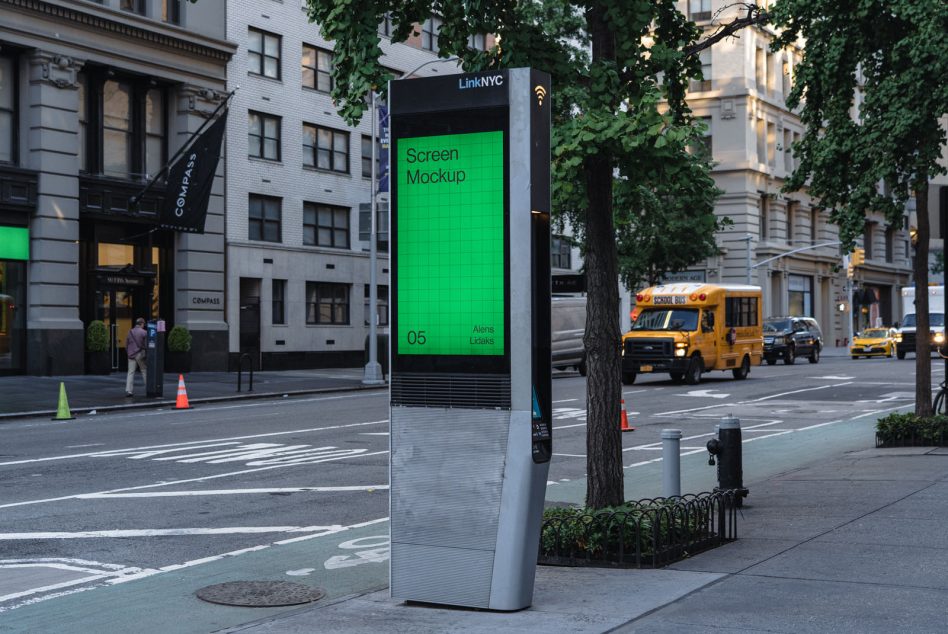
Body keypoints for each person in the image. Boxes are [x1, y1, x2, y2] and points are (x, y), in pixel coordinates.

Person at [125, 318, 147, 397]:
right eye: (143, 324)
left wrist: (128, 352)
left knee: (130, 372)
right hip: (140, 354)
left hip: (131, 355)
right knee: (144, 371)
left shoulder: (130, 332)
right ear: (141, 324)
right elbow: (146, 345)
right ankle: (148, 388)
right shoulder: (144, 332)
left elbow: (126, 344)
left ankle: (129, 390)